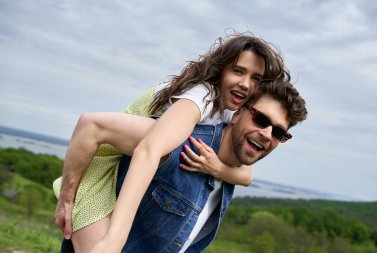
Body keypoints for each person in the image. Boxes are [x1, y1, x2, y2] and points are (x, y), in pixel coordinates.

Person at [54, 33, 289, 253]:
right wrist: (71, 200)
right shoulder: (201, 99)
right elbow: (147, 150)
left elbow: (247, 176)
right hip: (99, 172)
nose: (246, 84)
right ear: (221, 71)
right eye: (238, 71)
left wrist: (216, 167)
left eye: (256, 79)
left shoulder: (230, 111)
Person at [102, 80, 308, 252]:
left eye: (279, 133)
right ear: (236, 115)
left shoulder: (229, 175)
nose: (266, 134)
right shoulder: (179, 141)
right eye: (260, 119)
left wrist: (220, 170)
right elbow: (98, 131)